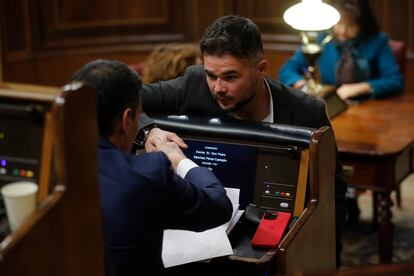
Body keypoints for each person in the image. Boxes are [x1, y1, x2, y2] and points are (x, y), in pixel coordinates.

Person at [139, 15, 347, 267]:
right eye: (211, 75)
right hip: (204, 222)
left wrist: (329, 260)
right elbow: (122, 101)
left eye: (230, 77)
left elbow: (332, 195)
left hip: (277, 226)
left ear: (261, 69)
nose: (217, 88)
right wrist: (148, 130)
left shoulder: (307, 111)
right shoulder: (194, 84)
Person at [71, 59, 233, 275]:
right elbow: (219, 206)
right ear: (127, 120)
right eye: (139, 116)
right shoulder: (147, 174)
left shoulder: (46, 166)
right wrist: (178, 160)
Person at [279, 0, 403, 100]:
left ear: (363, 24)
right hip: (330, 104)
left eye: (351, 25)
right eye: (339, 23)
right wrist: (301, 84)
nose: (342, 31)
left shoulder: (378, 40)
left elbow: (395, 81)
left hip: (368, 106)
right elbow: (288, 69)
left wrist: (360, 88)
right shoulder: (323, 38)